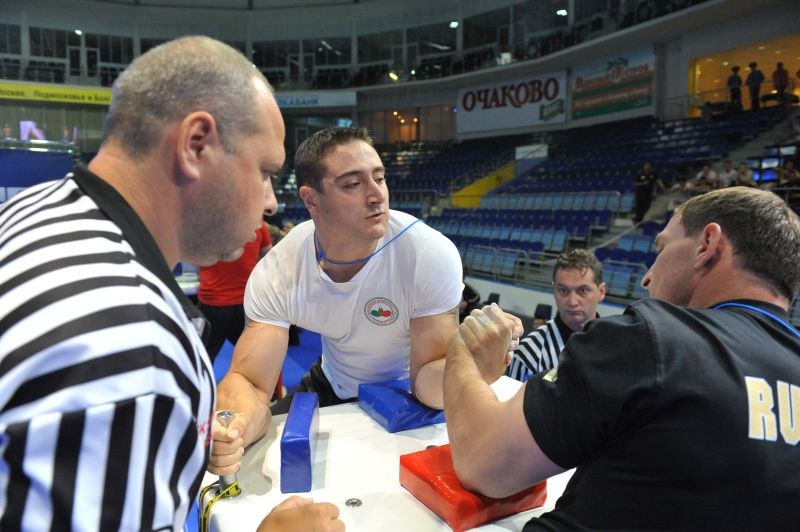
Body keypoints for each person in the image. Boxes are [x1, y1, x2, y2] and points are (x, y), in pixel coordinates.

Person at [0, 36, 342, 531]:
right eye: (265, 171)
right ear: (195, 145)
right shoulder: (134, 344)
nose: (270, 202)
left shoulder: (30, 215)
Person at [443, 186, 800, 529]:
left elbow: (483, 461)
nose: (647, 277)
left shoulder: (653, 336)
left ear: (707, 244)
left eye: (661, 249)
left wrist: (460, 349)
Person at [209, 126, 523, 478]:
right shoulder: (280, 270)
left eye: (380, 178)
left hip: (413, 395)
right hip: (333, 384)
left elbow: (429, 380)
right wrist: (233, 428)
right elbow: (250, 382)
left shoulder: (427, 254)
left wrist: (476, 369)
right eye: (353, 184)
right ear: (311, 200)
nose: (377, 195)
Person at [507, 249, 605, 382]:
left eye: (583, 290)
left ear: (601, 292)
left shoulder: (615, 347)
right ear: (554, 291)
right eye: (563, 290)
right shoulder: (528, 355)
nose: (572, 302)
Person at [197, 220, 272, 362]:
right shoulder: (258, 225)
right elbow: (270, 260)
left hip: (215, 302)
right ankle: (269, 384)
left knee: (200, 359)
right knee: (256, 357)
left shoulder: (205, 225)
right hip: (243, 303)